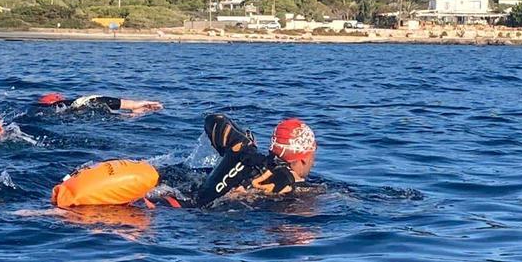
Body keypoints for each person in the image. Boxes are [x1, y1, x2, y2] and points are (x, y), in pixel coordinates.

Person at [158, 113, 317, 208]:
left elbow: (214, 120)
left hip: (167, 198)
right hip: (192, 214)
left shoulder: (249, 159)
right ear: (304, 158)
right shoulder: (302, 191)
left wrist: (244, 148)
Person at [36, 92, 162, 115]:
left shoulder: (58, 109)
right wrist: (133, 104)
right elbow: (94, 99)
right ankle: (134, 111)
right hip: (87, 104)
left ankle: (134, 113)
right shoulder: (63, 103)